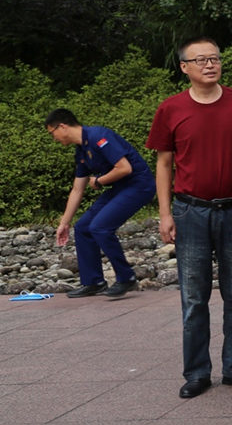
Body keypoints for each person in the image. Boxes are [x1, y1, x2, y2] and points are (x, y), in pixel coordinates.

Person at [148, 36, 232, 399]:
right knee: (194, 298)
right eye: (201, 60)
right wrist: (165, 213)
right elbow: (164, 163)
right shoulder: (171, 109)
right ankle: (197, 372)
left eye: (214, 58)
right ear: (184, 67)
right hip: (191, 211)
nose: (210, 65)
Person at [46, 109, 155, 298]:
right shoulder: (81, 150)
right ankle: (93, 282)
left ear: (62, 126)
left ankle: (126, 278)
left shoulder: (98, 136)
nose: (53, 138)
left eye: (52, 133)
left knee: (100, 227)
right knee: (83, 227)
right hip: (120, 187)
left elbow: (124, 168)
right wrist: (64, 223)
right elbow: (77, 189)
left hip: (139, 185)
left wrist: (99, 181)